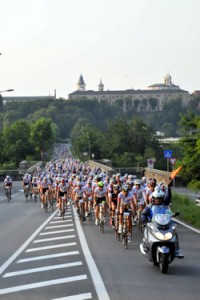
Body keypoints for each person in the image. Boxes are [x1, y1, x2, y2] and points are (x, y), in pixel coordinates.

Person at [142, 188, 184, 258]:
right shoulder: (149, 206)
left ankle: (177, 250)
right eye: (156, 199)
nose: (158, 200)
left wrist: (173, 214)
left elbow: (169, 213)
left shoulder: (164, 207)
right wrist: (144, 220)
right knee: (146, 231)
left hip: (164, 225)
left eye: (160, 199)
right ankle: (145, 246)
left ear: (162, 199)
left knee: (174, 233)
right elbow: (144, 214)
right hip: (152, 225)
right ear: (153, 199)